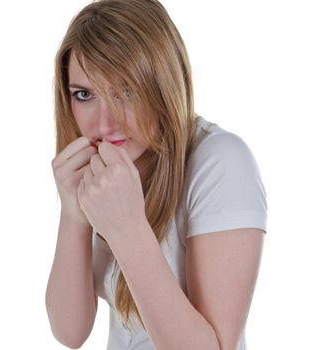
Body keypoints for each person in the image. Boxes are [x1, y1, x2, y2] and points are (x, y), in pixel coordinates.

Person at [45, 0, 268, 349]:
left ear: (161, 84)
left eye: (126, 91)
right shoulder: (105, 172)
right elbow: (69, 332)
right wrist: (72, 212)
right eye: (85, 94)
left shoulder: (220, 162)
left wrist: (128, 228)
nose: (104, 124)